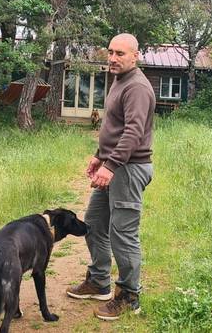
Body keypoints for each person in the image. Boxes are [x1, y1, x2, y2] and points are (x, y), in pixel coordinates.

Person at [66, 33, 155, 321]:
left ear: (135, 56)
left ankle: (129, 296)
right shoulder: (119, 80)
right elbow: (113, 126)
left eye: (120, 53)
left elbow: (133, 132)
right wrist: (99, 155)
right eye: (110, 52)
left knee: (124, 234)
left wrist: (111, 165)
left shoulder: (138, 87)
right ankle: (99, 281)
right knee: (93, 221)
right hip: (115, 164)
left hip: (129, 170)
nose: (113, 58)